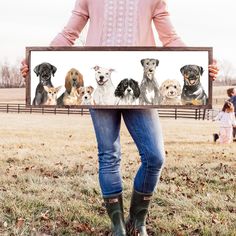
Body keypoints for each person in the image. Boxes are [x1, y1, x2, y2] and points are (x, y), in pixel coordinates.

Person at [21, 0, 219, 235]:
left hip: (139, 89)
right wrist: (35, 59)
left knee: (154, 156)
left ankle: (137, 221)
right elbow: (68, 34)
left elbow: (171, 38)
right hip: (101, 88)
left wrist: (201, 62)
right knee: (109, 154)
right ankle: (118, 227)